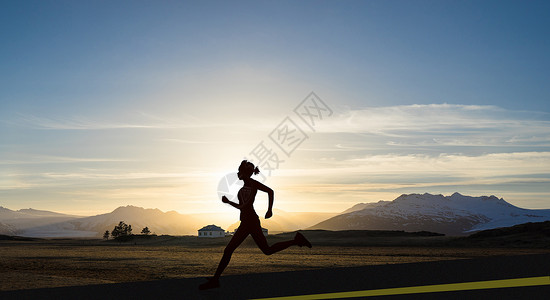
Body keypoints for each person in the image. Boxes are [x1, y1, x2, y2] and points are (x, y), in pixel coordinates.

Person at [199, 160, 312, 290]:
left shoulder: (251, 186)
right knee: (263, 250)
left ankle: (215, 280)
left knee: (234, 250)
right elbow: (269, 192)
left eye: (239, 171)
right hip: (248, 222)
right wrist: (269, 209)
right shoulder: (248, 186)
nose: (237, 173)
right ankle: (215, 279)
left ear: (243, 173)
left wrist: (229, 202)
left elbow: (246, 205)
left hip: (250, 222)